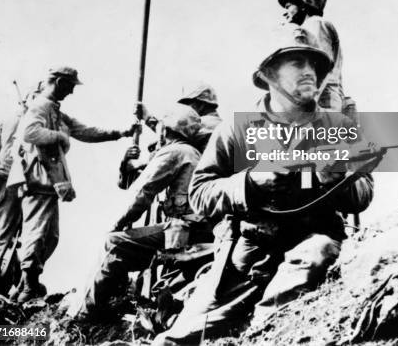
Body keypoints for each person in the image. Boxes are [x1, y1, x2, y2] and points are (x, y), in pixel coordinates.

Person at [153, 26, 374, 345]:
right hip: (249, 253)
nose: (309, 72)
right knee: (173, 341)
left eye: (314, 65)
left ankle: (261, 332)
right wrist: (250, 184)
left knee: (274, 317)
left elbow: (364, 193)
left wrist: (338, 180)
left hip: (312, 244)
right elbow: (200, 192)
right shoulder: (237, 128)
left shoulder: (339, 127)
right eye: (297, 63)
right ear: (270, 73)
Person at [6, 66, 136, 303]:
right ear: (57, 82)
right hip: (38, 181)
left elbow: (86, 131)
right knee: (38, 233)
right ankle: (27, 286)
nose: (71, 92)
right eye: (69, 86)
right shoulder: (41, 106)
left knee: (49, 236)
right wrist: (60, 137)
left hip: (48, 183)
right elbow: (30, 133)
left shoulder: (54, 110)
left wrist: (121, 132)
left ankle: (26, 283)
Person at [74, 104, 213, 320]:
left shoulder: (175, 151)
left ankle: (85, 313)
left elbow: (141, 193)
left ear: (166, 131)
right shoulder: (192, 152)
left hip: (185, 231)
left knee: (114, 243)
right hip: (196, 230)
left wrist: (116, 225)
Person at [0, 83, 42, 295]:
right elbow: (9, 159)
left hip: (0, 183)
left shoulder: (17, 120)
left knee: (1, 235)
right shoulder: (19, 121)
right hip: (5, 182)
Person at [118, 83, 221, 189]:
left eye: (187, 104)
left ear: (201, 104)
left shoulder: (207, 125)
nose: (184, 109)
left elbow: (174, 136)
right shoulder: (216, 126)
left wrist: (148, 118)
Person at [278, 0, 344, 111]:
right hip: (321, 97)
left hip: (323, 99)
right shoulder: (311, 25)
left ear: (302, 5)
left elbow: (321, 66)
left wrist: (309, 106)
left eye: (288, 6)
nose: (285, 12)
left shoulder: (315, 23)